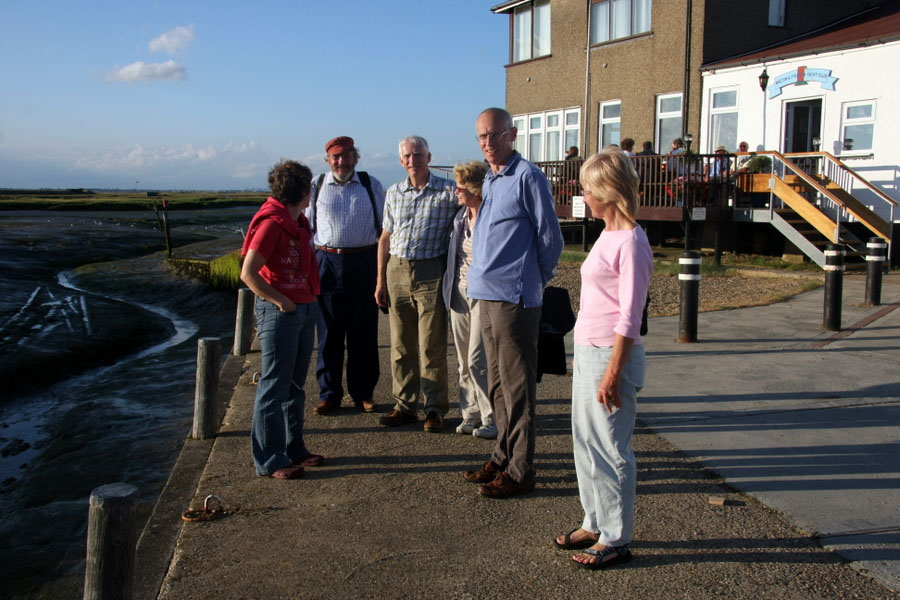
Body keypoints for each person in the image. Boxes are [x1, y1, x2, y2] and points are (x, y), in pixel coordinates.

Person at [552, 149, 652, 569]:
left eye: (588, 189)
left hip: (611, 356)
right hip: (589, 350)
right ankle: (593, 521)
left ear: (608, 191)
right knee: (586, 442)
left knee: (611, 448)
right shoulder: (608, 234)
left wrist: (612, 373)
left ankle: (615, 537)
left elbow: (630, 316)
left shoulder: (631, 242)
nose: (584, 196)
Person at [462, 107, 564, 498]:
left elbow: (550, 239)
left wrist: (534, 279)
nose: (488, 143)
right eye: (482, 136)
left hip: (514, 297)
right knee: (498, 385)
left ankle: (521, 471)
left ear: (512, 134)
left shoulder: (527, 177)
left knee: (518, 387)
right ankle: (502, 457)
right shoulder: (491, 178)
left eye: (494, 135)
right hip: (487, 293)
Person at [240, 160, 324, 480]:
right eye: (309, 188)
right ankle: (270, 460)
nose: (311, 194)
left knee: (294, 386)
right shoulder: (273, 224)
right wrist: (282, 301)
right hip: (281, 311)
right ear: (301, 191)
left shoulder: (297, 222)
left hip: (302, 306)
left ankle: (294, 448)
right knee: (274, 386)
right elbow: (248, 273)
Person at [375, 136, 457, 432]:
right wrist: (380, 280)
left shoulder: (448, 191)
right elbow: (385, 238)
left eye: (418, 155)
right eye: (408, 156)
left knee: (431, 345)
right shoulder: (394, 192)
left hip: (431, 272)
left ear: (429, 157)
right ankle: (404, 405)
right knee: (400, 345)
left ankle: (434, 408)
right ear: (401, 161)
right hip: (396, 270)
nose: (413, 160)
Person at [306, 136, 384, 416]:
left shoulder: (371, 184)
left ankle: (363, 394)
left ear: (356, 158)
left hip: (364, 261)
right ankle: (329, 394)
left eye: (347, 156)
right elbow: (307, 228)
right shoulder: (316, 185)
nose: (342, 162)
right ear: (328, 160)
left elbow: (385, 227)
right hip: (326, 262)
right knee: (329, 334)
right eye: (336, 157)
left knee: (364, 332)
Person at [442, 160, 496, 439]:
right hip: (458, 292)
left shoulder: (491, 217)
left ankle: (491, 418)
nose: (456, 191)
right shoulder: (459, 218)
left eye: (460, 187)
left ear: (475, 188)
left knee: (478, 359)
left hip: (483, 295)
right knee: (463, 360)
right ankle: (470, 413)